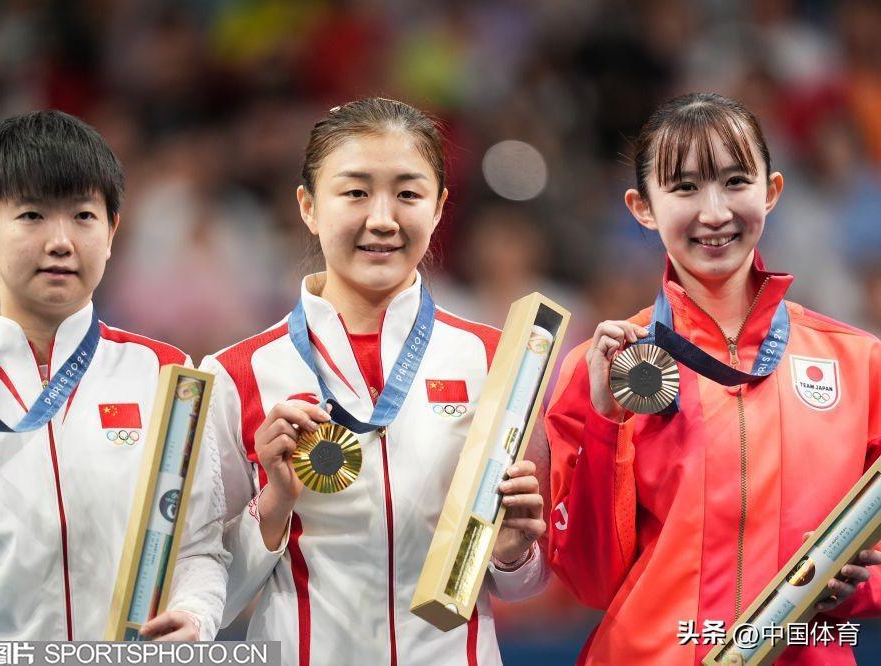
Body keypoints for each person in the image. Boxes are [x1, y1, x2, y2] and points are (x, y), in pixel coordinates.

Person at [177, 97, 550, 665]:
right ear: (308, 206)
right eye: (354, 192)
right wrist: (274, 504)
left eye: (408, 194)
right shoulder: (236, 374)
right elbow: (210, 598)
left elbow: (524, 583)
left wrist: (512, 553)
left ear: (439, 207)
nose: (382, 219)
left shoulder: (499, 360)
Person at [546, 92, 881, 664]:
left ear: (771, 191)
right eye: (684, 188)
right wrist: (605, 423)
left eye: (735, 181)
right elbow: (590, 580)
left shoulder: (858, 363)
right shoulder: (603, 368)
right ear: (642, 207)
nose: (714, 212)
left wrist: (861, 584)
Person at [0, 111, 228, 641]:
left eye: (84, 215)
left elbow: (200, 546)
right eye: (32, 215)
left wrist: (196, 614)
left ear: (111, 232)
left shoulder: (169, 379)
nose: (61, 241)